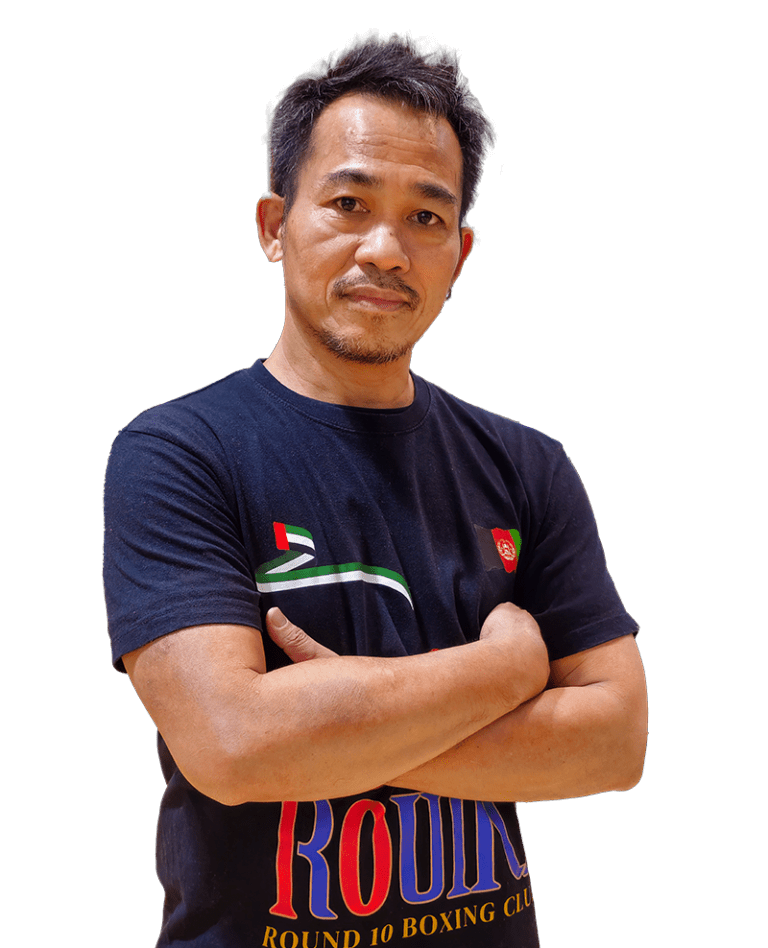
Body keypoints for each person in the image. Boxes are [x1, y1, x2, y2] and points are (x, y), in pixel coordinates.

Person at [103, 32, 647, 948]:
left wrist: (331, 730)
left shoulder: (528, 465)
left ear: (462, 253)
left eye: (427, 219)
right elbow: (232, 748)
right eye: (348, 203)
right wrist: (505, 671)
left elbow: (614, 741)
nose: (386, 249)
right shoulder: (178, 453)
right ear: (275, 225)